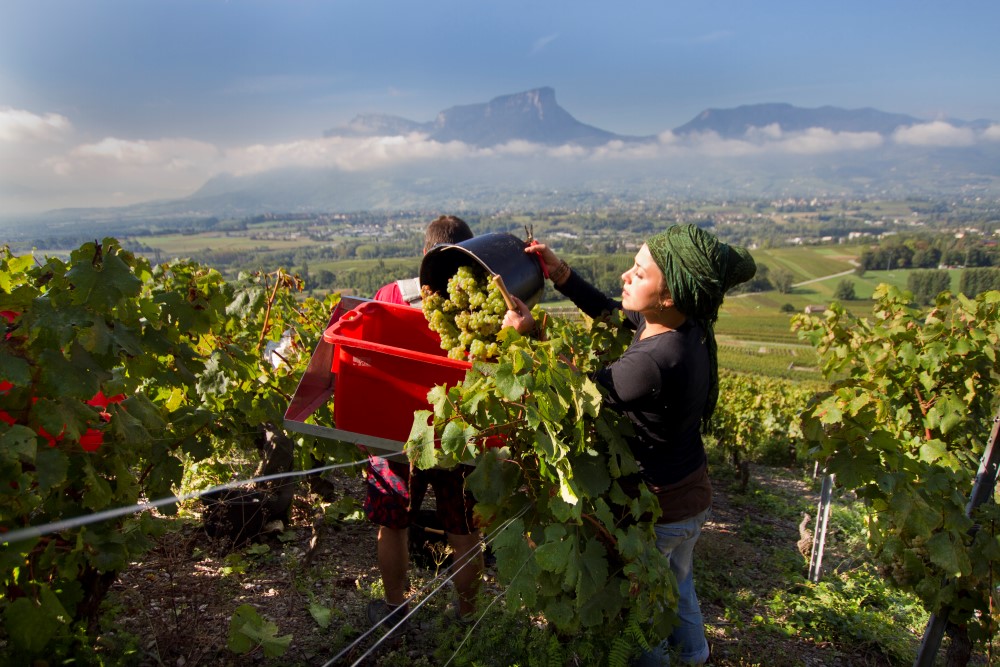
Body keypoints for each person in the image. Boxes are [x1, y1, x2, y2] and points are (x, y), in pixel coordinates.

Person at [504, 224, 756, 666]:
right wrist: (559, 271)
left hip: (661, 511)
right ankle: (695, 655)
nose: (625, 275)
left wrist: (531, 337)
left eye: (639, 274)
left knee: (639, 618)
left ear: (670, 294)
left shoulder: (653, 363)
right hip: (691, 494)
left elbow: (579, 392)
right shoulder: (681, 323)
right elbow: (607, 309)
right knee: (677, 585)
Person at [365, 215, 484, 630]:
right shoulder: (483, 303)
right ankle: (467, 617)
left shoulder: (391, 294)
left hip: (398, 433)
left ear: (424, 254)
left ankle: (396, 608)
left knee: (393, 523)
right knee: (464, 529)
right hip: (460, 434)